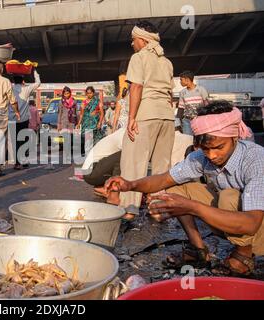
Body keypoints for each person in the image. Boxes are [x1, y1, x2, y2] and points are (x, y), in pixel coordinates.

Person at [105, 101, 264, 276]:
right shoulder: (201, 158)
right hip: (235, 220)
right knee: (175, 190)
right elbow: (165, 179)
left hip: (257, 227)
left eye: (219, 147)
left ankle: (244, 255)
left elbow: (251, 223)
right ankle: (199, 250)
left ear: (235, 137)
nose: (212, 155)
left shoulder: (255, 159)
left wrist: (193, 207)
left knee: (229, 196)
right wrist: (130, 185)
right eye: (205, 149)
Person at [119, 21, 176, 221]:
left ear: (142, 40)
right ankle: (159, 210)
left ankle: (129, 208)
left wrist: (132, 118)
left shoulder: (138, 58)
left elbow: (136, 87)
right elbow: (170, 94)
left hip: (146, 114)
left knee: (134, 163)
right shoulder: (167, 62)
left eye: (133, 40)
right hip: (167, 117)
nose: (132, 44)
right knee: (162, 168)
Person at [83, 123, 193, 208]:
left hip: (95, 172)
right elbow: (132, 161)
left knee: (132, 159)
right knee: (126, 157)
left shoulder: (127, 133)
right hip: (91, 171)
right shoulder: (125, 134)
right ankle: (114, 194)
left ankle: (105, 187)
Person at [9, 70, 41, 170]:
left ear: (13, 81)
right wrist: (34, 71)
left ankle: (17, 163)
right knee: (24, 140)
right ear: (23, 80)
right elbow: (38, 83)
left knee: (15, 142)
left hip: (12, 119)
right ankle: (24, 161)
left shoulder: (10, 89)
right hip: (24, 119)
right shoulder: (26, 88)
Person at [178, 70, 209, 135]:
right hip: (187, 121)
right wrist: (178, 121)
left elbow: (207, 105)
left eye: (181, 80)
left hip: (200, 120)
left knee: (200, 141)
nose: (180, 82)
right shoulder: (182, 92)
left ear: (187, 80)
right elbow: (181, 108)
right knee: (187, 141)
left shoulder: (201, 90)